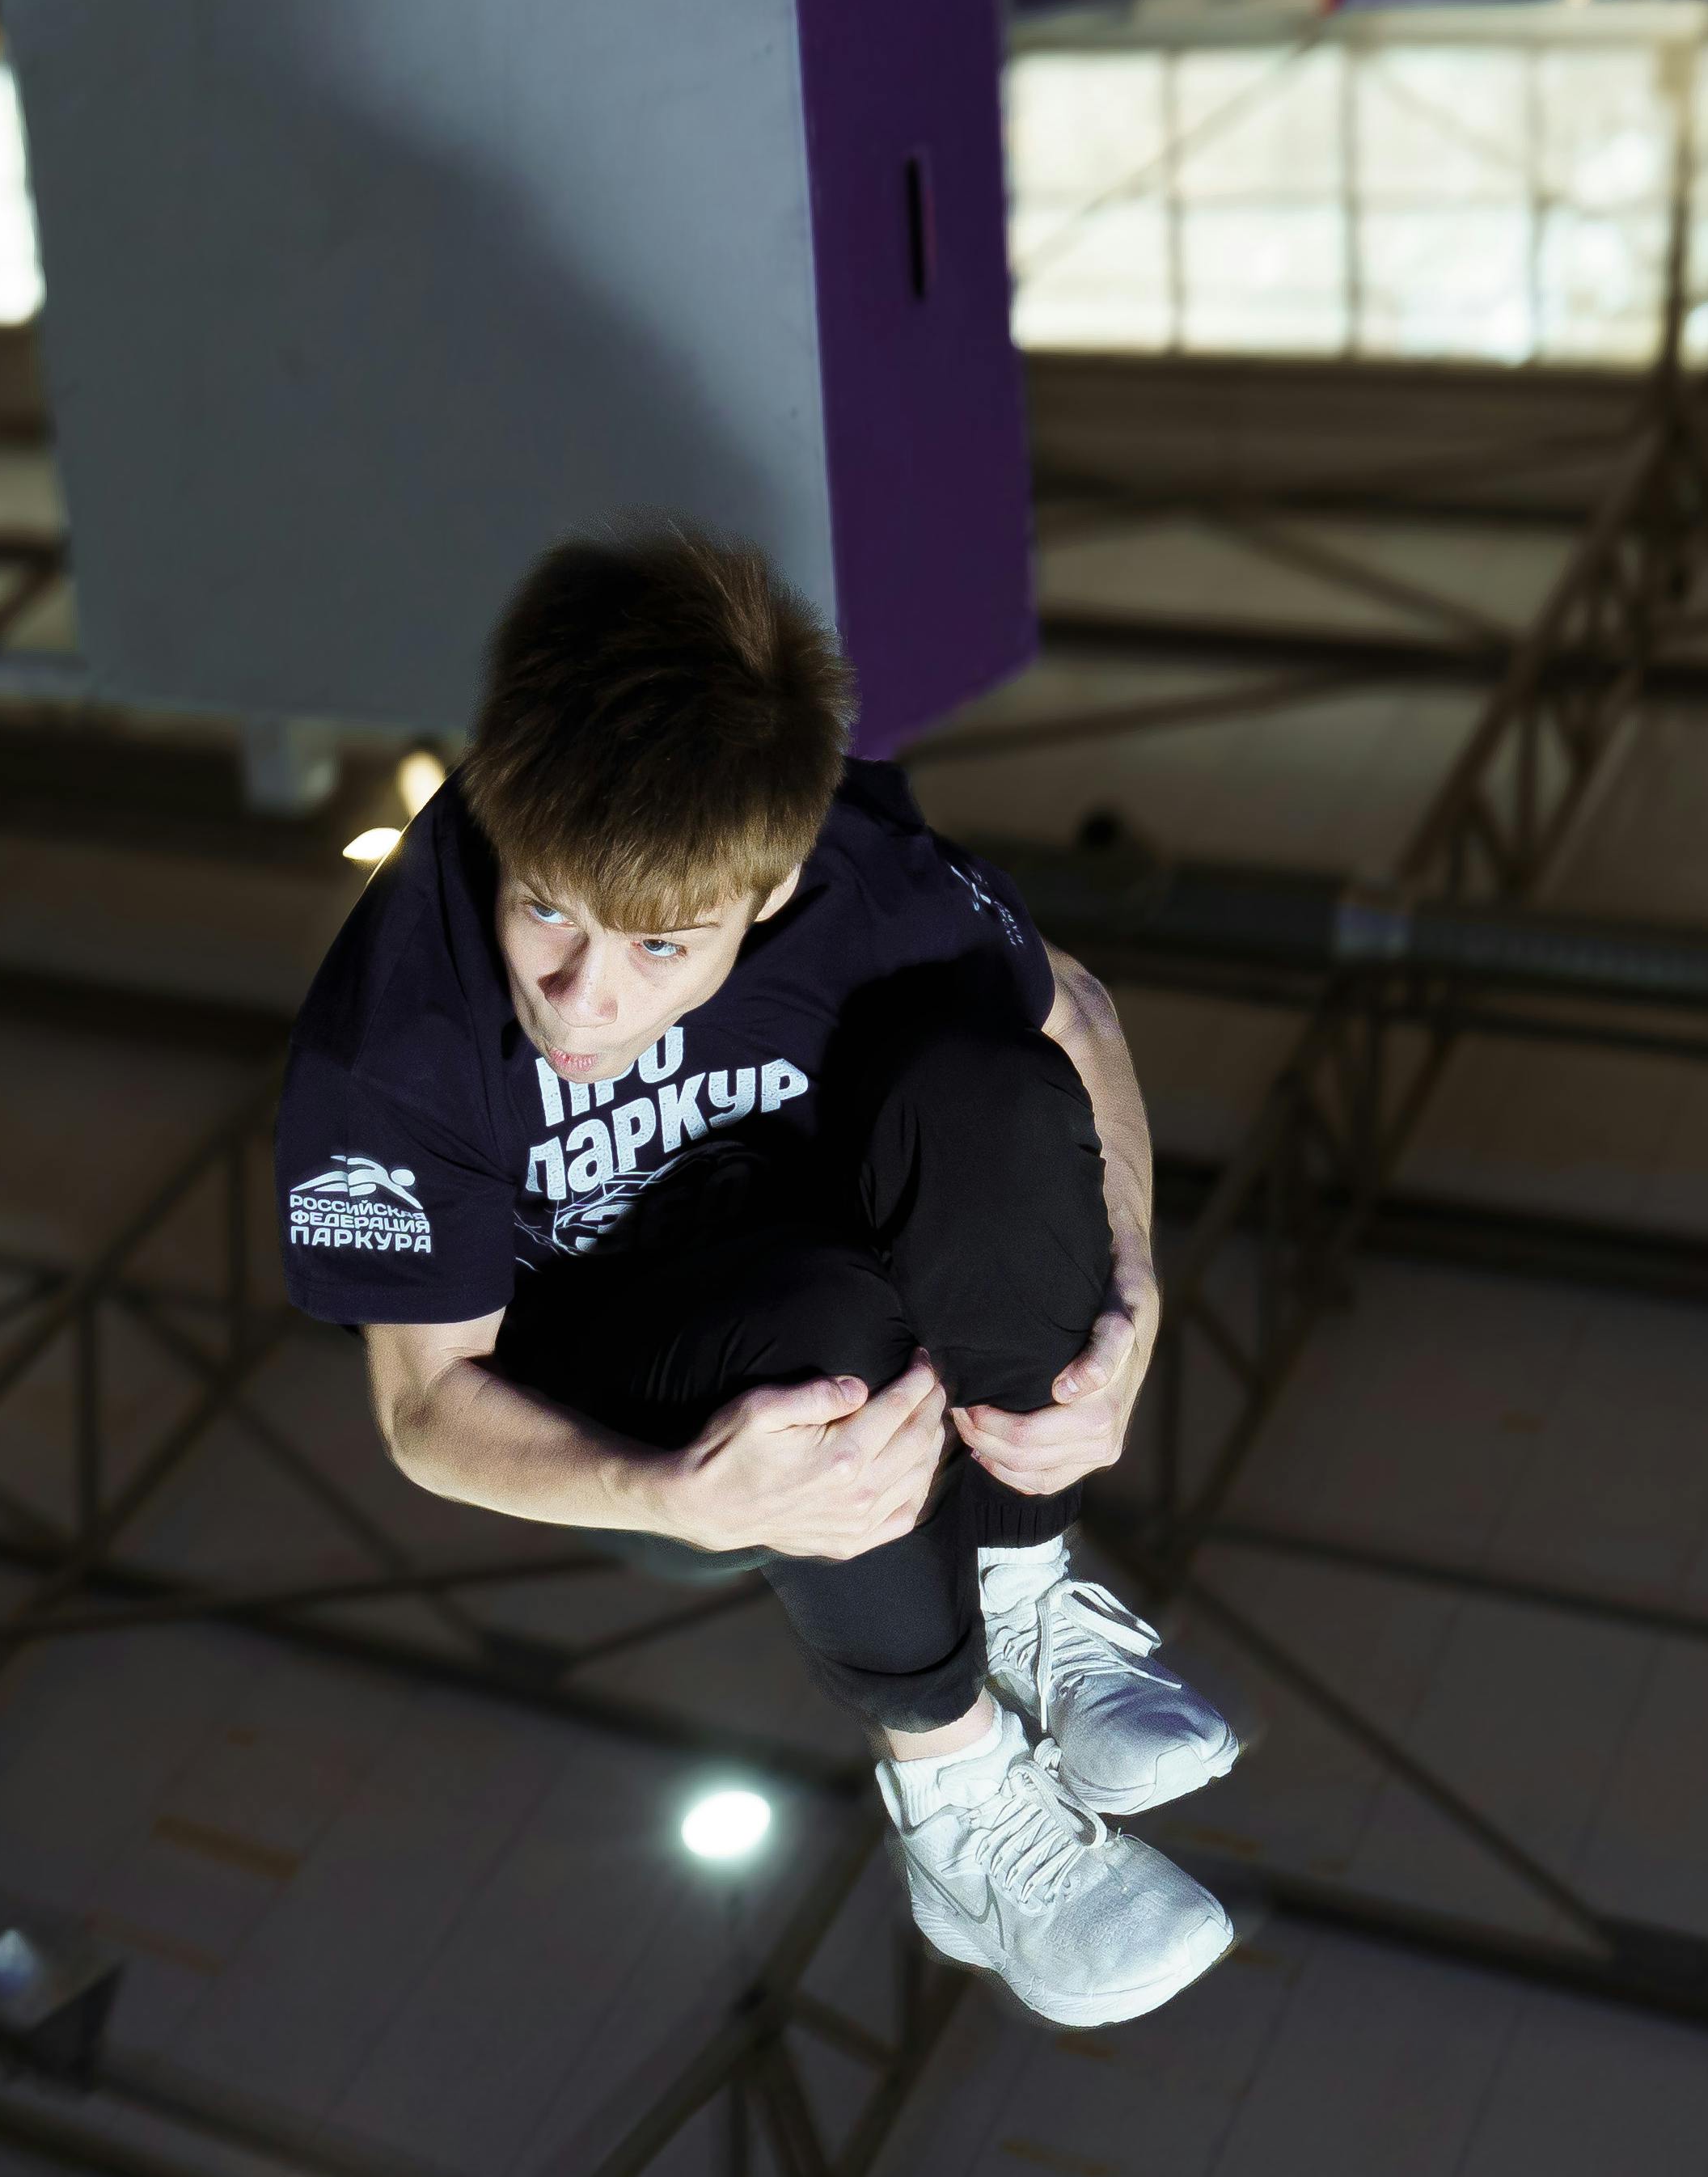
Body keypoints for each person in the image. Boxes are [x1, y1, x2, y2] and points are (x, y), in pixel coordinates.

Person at [279, 534, 1241, 2031]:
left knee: (984, 1090)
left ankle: (1025, 1579)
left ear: (772, 885)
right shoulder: (400, 1039)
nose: (585, 1002)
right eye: (547, 912)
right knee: (822, 1348)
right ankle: (961, 1798)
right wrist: (670, 1496)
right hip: (648, 1406)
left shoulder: (863, 877)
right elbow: (422, 1410)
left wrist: (1136, 1294)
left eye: (662, 945)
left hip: (848, 1246)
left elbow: (1084, 1016)